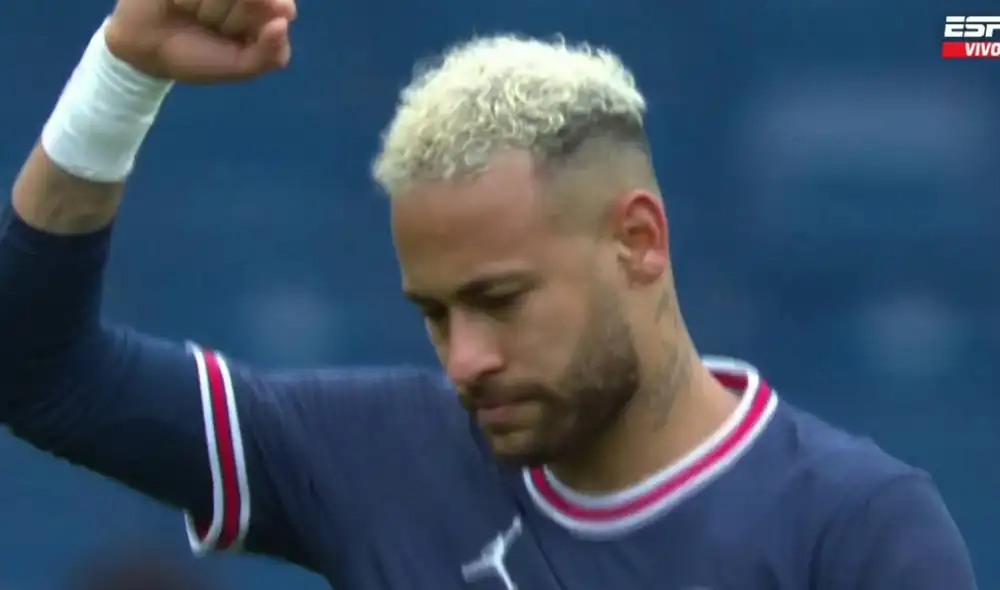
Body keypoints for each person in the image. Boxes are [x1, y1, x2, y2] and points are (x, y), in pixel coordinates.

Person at [0, 0, 978, 588]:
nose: (464, 358)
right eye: (433, 312)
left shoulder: (855, 527)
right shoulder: (377, 458)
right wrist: (120, 78)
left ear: (637, 240)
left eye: (500, 299)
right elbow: (38, 369)